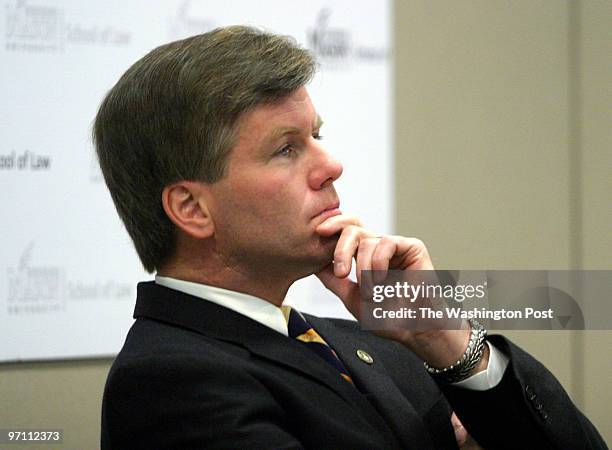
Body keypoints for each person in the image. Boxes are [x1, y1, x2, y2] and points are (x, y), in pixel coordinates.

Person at [94, 26, 606, 449]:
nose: (331, 166)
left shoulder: (370, 343)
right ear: (191, 209)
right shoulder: (170, 381)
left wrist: (446, 340)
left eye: (316, 135)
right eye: (286, 149)